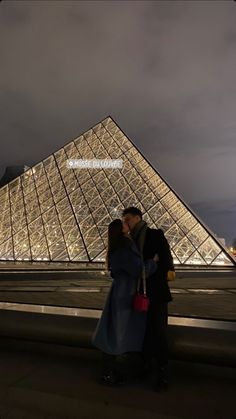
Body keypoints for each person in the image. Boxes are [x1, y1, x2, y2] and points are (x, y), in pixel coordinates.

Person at [92, 218, 157, 386]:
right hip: (125, 294)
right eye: (124, 223)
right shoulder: (124, 247)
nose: (127, 224)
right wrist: (153, 263)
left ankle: (110, 371)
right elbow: (138, 269)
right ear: (122, 230)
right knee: (118, 332)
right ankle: (110, 373)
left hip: (120, 292)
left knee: (115, 331)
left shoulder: (117, 246)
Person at [122, 206, 175, 391]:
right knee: (142, 332)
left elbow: (166, 262)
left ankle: (162, 372)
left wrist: (145, 272)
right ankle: (144, 366)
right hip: (137, 294)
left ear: (138, 217)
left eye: (128, 219)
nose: (125, 223)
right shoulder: (127, 241)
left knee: (159, 333)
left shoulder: (154, 235)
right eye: (124, 220)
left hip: (156, 294)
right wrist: (148, 265)